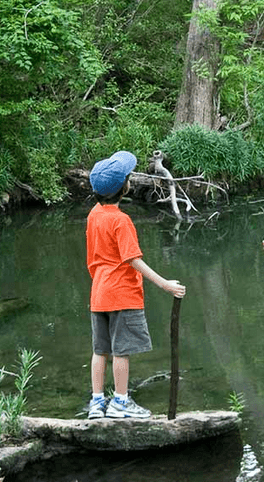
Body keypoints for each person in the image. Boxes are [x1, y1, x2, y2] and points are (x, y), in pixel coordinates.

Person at [84, 150, 186, 419]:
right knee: (122, 352)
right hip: (121, 294)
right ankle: (120, 402)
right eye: (128, 177)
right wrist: (165, 284)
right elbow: (133, 260)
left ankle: (96, 402)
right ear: (124, 187)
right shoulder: (121, 221)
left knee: (100, 350)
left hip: (99, 294)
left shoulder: (94, 214)